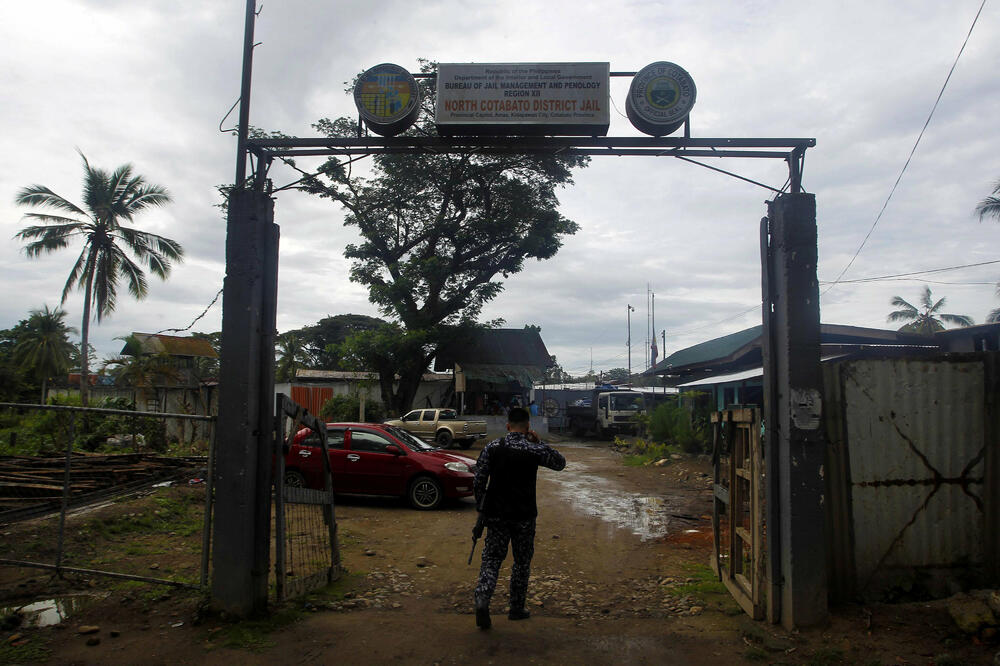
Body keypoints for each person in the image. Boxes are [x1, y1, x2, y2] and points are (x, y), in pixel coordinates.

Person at [472, 407, 566, 629]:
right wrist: (539, 442)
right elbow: (559, 463)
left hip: (496, 515)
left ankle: (482, 599)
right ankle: (516, 608)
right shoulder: (533, 448)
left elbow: (478, 480)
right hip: (524, 516)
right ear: (527, 427)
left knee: (491, 559)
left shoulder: (493, 447)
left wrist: (482, 507)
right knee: (521, 563)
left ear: (508, 426)